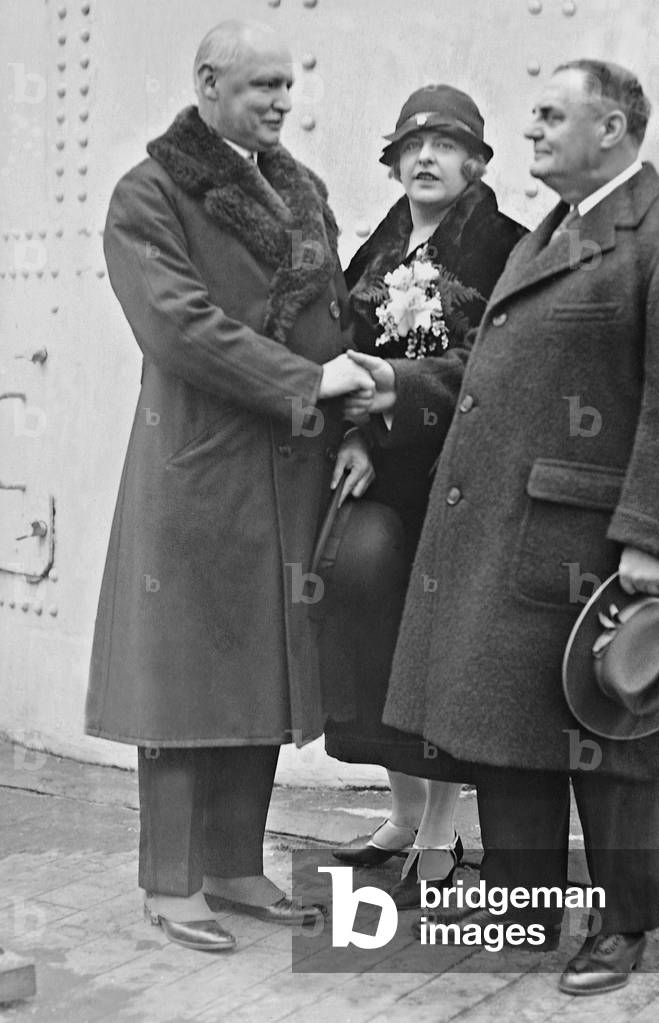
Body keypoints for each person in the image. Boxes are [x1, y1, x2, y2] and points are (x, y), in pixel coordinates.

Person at [379, 60, 659, 992]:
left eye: (552, 115)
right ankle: (523, 909)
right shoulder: (550, 231)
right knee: (510, 734)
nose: (532, 129)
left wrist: (654, 541)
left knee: (612, 738)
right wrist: (396, 381)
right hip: (511, 538)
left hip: (602, 546)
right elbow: (490, 375)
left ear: (615, 128)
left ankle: (623, 928)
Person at [84, 19, 375, 953]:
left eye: (288, 87)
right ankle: (172, 882)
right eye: (263, 88)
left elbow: (329, 316)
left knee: (258, 667)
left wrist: (361, 407)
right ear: (208, 83)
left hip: (284, 467)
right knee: (180, 676)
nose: (283, 103)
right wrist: (303, 382)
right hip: (197, 468)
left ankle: (235, 865)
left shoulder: (299, 192)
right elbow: (178, 325)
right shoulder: (149, 194)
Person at [323, 85, 526, 907]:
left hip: (462, 479)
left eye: (446, 145)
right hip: (383, 472)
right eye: (412, 146)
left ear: (477, 162)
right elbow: (339, 347)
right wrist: (353, 435)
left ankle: (444, 831)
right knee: (367, 617)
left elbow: (499, 364)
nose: (427, 158)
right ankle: (403, 812)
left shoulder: (506, 245)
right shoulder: (380, 246)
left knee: (442, 649)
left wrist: (399, 397)